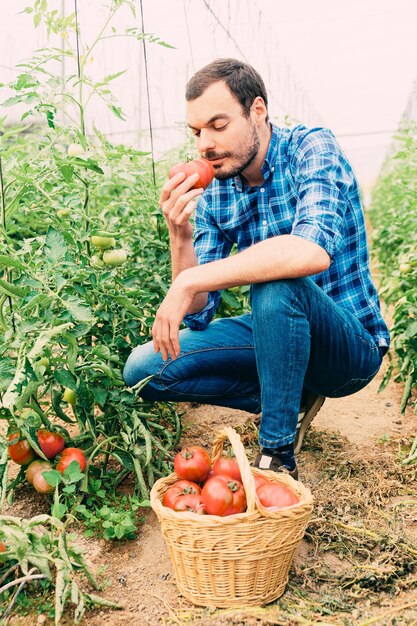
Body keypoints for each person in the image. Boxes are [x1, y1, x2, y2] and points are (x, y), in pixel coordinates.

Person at [123, 58, 390, 480]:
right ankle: (287, 393)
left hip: (347, 347)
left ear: (258, 112)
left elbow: (311, 250)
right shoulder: (216, 193)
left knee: (276, 282)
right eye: (197, 132)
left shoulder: (310, 148)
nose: (204, 145)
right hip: (276, 332)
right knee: (144, 370)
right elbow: (199, 310)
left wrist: (191, 279)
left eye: (218, 124)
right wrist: (181, 237)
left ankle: (277, 454)